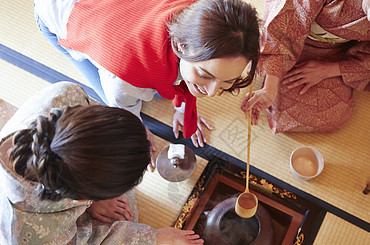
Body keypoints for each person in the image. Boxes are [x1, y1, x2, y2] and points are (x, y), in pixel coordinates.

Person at [0, 82, 204, 245]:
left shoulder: (65, 96)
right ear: (79, 198)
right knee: (126, 221)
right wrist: (160, 237)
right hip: (30, 241)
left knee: (121, 208)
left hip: (65, 192)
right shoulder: (29, 237)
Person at [34, 0, 260, 149]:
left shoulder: (208, 15)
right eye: (205, 75)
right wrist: (139, 130)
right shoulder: (124, 78)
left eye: (227, 81)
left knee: (162, 91)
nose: (211, 93)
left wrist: (184, 106)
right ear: (181, 46)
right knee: (122, 98)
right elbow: (124, 107)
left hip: (116, 12)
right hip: (59, 12)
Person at [241, 0, 370, 133]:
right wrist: (270, 86)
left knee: (330, 115)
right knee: (245, 58)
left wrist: (328, 69)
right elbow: (281, 29)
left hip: (335, 54)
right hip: (291, 37)